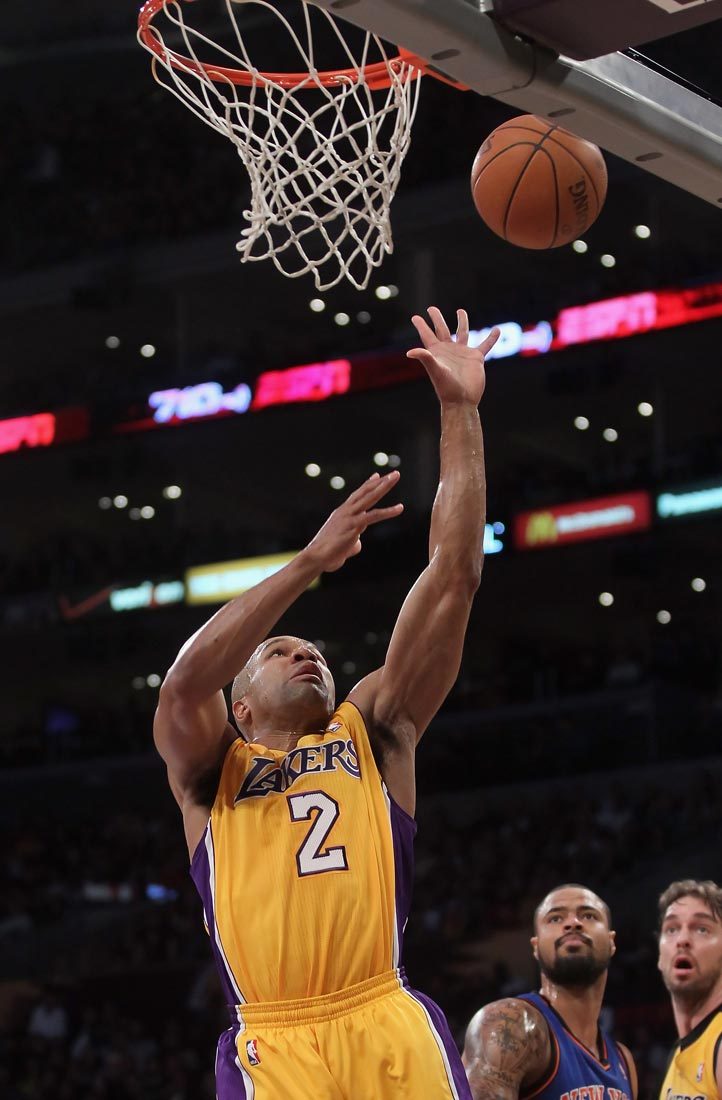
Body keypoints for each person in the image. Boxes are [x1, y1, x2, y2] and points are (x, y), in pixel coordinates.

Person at [154, 306, 499, 1100]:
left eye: (314, 652)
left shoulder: (376, 726)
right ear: (240, 707)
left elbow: (453, 575)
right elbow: (183, 684)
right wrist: (309, 561)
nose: (306, 654)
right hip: (273, 1043)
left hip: (384, 1018)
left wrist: (460, 412)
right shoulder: (213, 768)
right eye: (279, 652)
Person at [463, 883, 638, 1100]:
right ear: (535, 946)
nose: (573, 923)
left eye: (589, 916)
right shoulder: (511, 1025)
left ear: (612, 942)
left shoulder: (623, 1061)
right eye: (555, 918)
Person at [657, 879, 722, 1100]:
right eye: (672, 929)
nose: (682, 940)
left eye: (702, 929)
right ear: (659, 958)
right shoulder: (678, 1054)